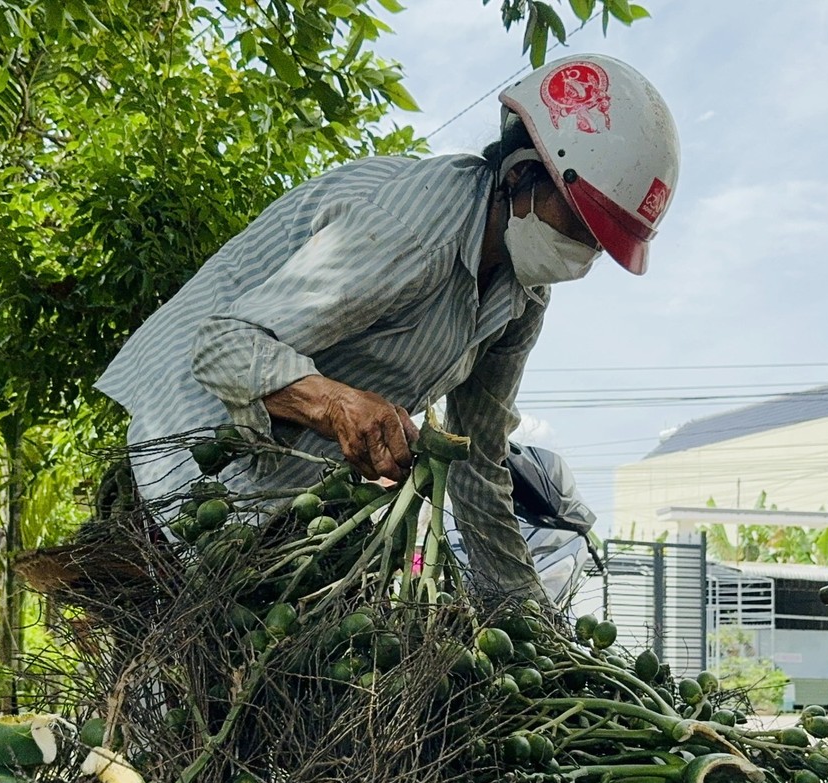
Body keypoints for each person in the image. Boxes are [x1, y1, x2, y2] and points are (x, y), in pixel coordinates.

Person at [95, 54, 678, 602]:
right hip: (190, 459)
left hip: (276, 501)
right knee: (195, 692)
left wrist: (524, 614)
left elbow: (478, 462)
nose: (582, 251)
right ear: (524, 173)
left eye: (598, 243)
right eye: (577, 223)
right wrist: (335, 405)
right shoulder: (416, 230)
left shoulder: (521, 299)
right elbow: (225, 344)